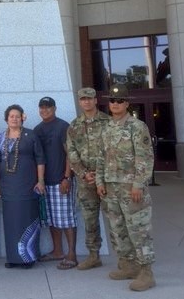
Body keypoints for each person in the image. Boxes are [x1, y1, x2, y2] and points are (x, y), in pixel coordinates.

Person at [96, 84, 156, 292]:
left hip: (132, 188)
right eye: (112, 101)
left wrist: (138, 183)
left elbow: (145, 158)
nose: (115, 104)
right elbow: (100, 158)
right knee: (118, 229)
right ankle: (128, 266)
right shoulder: (106, 128)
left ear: (127, 103)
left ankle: (146, 272)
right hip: (111, 188)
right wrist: (100, 182)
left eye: (120, 100)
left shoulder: (137, 127)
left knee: (139, 230)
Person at [0, 105, 45, 268]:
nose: (14, 119)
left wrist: (40, 180)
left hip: (28, 186)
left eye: (17, 116)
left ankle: (28, 257)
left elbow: (40, 159)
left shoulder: (31, 135)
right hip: (8, 187)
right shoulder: (0, 138)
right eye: (11, 116)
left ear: (23, 117)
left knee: (27, 219)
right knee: (11, 222)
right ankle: (13, 258)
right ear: (6, 119)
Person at [66, 87, 110, 270]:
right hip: (85, 181)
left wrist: (99, 174)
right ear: (79, 101)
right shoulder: (74, 126)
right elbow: (71, 152)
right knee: (90, 220)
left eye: (89, 98)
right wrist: (83, 173)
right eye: (83, 99)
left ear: (95, 100)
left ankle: (126, 259)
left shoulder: (108, 122)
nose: (86, 102)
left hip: (107, 179)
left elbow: (113, 150)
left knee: (116, 219)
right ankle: (94, 256)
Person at [34, 96, 78, 270]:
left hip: (61, 181)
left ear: (55, 108)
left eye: (48, 107)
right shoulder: (37, 129)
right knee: (52, 219)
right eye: (42, 107)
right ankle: (58, 251)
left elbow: (70, 154)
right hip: (46, 182)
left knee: (67, 219)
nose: (45, 110)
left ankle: (72, 255)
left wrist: (67, 177)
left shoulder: (63, 126)